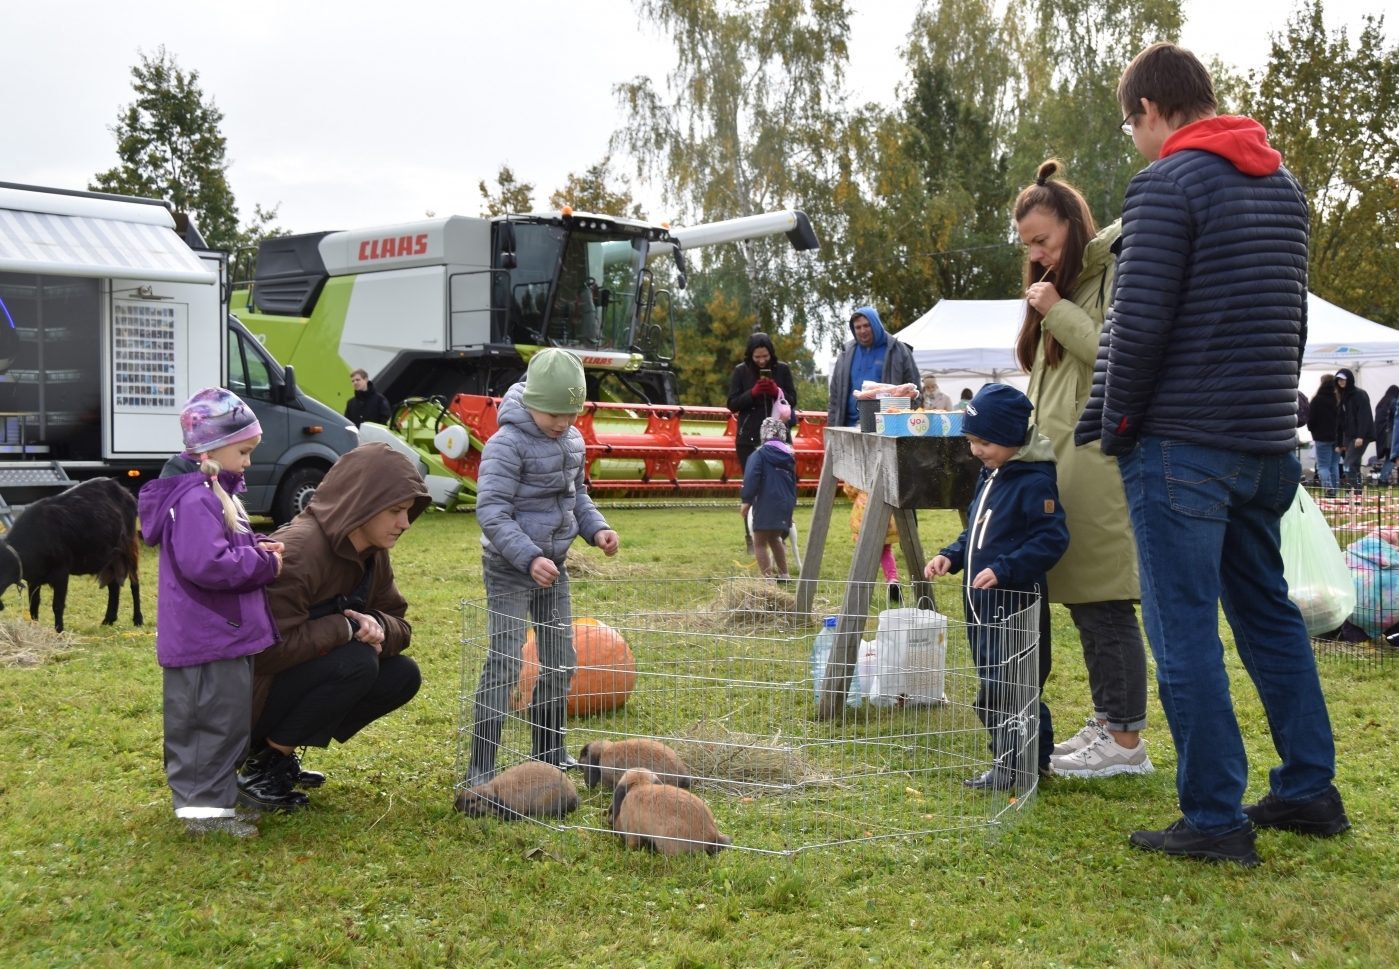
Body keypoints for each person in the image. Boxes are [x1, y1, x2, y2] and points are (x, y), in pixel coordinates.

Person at [1078, 42, 1348, 865]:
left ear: (1150, 111)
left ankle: (1214, 815)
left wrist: (1116, 426)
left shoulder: (1166, 182)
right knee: (1267, 615)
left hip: (1181, 445)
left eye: (1131, 124)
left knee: (1183, 627)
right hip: (1263, 442)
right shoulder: (1282, 185)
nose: (1134, 140)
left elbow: (1140, 322)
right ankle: (1308, 787)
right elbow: (1292, 324)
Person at [1013, 160, 1153, 780]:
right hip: (1064, 469)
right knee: (1089, 608)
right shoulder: (1067, 284)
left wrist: (1056, 310)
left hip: (1101, 466)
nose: (1037, 255)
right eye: (1027, 246)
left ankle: (1126, 745)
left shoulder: (1110, 272)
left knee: (1107, 604)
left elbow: (1117, 355)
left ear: (1073, 223)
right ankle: (1109, 722)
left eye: (1044, 240)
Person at [237, 442, 432, 812]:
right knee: (356, 662)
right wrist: (342, 629)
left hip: (291, 677)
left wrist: (378, 626)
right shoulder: (296, 551)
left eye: (407, 511)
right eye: (395, 511)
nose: (405, 523)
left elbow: (400, 622)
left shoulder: (374, 553)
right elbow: (260, 652)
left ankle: (276, 754)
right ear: (363, 504)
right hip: (244, 697)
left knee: (402, 674)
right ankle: (257, 766)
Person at [465, 349, 620, 786]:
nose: (562, 422)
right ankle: (481, 767)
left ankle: (550, 752)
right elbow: (492, 511)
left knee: (561, 660)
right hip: (510, 567)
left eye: (571, 413)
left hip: (555, 567)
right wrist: (528, 557)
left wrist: (597, 530)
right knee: (505, 661)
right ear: (531, 400)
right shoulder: (506, 444)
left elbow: (577, 497)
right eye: (553, 413)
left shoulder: (572, 441)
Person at [138, 389, 284, 838]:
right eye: (243, 451)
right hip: (207, 639)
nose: (248, 461)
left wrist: (256, 546)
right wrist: (267, 564)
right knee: (204, 729)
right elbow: (208, 564)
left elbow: (219, 549)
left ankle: (216, 803)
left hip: (221, 636)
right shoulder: (197, 498)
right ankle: (203, 818)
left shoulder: (212, 493)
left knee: (225, 725)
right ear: (209, 448)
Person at [926, 383, 1068, 789]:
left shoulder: (1033, 481)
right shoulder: (993, 473)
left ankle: (1015, 766)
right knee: (997, 681)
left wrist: (1007, 569)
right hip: (981, 607)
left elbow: (1051, 538)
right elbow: (976, 532)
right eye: (972, 441)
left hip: (1014, 605)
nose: (976, 451)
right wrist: (952, 555)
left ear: (1011, 436)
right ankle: (1031, 761)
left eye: (984, 442)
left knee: (1009, 688)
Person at [727, 333, 797, 553]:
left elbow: (793, 399)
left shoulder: (783, 369)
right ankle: (752, 537)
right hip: (749, 439)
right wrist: (753, 393)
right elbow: (732, 403)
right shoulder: (740, 371)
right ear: (751, 355)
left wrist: (778, 392)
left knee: (781, 487)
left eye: (765, 356)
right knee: (752, 487)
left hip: (779, 438)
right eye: (757, 357)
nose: (761, 361)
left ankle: (780, 535)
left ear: (771, 353)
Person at [826, 306, 919, 430]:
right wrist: (832, 429)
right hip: (848, 428)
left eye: (866, 325)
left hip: (887, 429)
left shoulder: (899, 351)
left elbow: (915, 394)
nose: (862, 331)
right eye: (858, 327)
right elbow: (834, 398)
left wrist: (905, 428)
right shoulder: (845, 354)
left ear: (876, 324)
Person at [740, 417, 798, 579]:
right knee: (775, 538)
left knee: (759, 542)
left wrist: (746, 500)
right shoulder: (789, 457)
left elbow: (751, 478)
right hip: (784, 505)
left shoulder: (758, 455)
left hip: (766, 503)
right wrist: (790, 510)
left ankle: (767, 580)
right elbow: (793, 486)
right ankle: (784, 575)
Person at [1334, 368, 1373, 494]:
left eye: (1343, 379)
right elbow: (1340, 422)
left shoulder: (1360, 394)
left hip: (1361, 436)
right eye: (1339, 379)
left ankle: (1353, 494)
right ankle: (1357, 495)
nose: (1341, 381)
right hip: (1351, 437)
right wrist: (1339, 443)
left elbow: (1364, 416)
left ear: (1349, 379)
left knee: (1348, 465)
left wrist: (1360, 436)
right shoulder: (1342, 396)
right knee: (1354, 465)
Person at [1308, 375, 1340, 495]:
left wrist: (1313, 431)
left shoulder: (1316, 399)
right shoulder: (1338, 398)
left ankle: (1328, 488)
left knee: (1323, 465)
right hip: (1337, 437)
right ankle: (1335, 491)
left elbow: (1311, 419)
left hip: (1321, 437)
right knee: (1334, 465)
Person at [1373, 385, 1398, 483]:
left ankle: (1383, 477)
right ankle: (1383, 478)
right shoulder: (1393, 402)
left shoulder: (1381, 403)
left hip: (1383, 436)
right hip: (1391, 436)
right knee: (1392, 459)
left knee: (1389, 458)